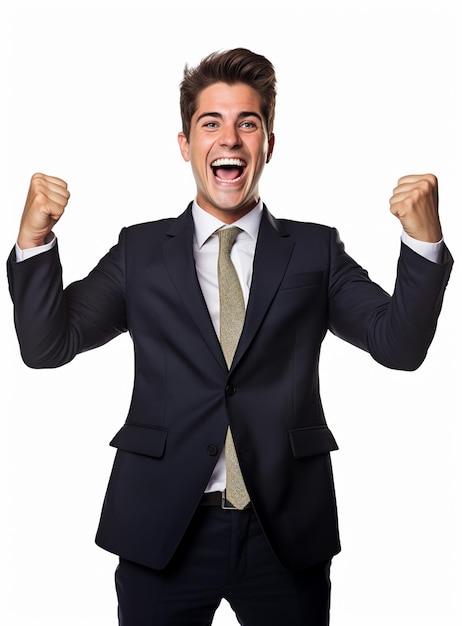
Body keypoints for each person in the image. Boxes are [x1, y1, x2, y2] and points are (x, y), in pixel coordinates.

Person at [7, 48, 453, 625]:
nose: (230, 139)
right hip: (162, 527)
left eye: (248, 122)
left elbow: (399, 346)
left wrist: (423, 242)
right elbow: (47, 347)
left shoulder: (314, 250)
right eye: (210, 123)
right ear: (185, 144)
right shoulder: (140, 252)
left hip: (284, 531)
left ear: (268, 143)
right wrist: (33, 239)